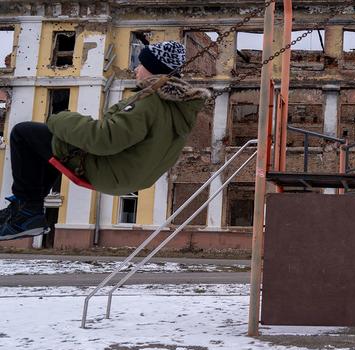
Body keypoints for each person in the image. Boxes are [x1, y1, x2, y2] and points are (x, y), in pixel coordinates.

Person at [0, 40, 210, 241]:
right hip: (130, 176)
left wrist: (59, 117)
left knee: (23, 133)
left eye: (141, 64)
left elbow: (104, 139)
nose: (136, 69)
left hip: (109, 171)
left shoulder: (149, 102)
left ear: (154, 69)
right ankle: (27, 209)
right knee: (49, 144)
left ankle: (27, 212)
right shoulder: (176, 108)